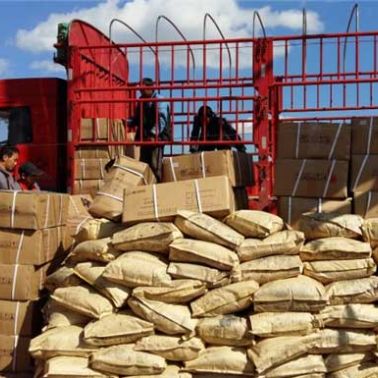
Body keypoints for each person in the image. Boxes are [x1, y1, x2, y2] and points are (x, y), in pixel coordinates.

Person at [128, 77, 170, 180]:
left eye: (142, 88)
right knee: (144, 164)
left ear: (150, 88)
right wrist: (128, 122)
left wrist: (153, 134)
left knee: (155, 165)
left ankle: (157, 185)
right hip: (145, 137)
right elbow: (137, 118)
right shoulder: (142, 100)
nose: (140, 91)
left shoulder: (159, 100)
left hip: (157, 138)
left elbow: (162, 120)